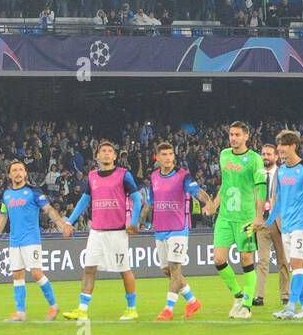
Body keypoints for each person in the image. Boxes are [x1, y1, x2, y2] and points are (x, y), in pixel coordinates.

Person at [62, 140, 142, 321]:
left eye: (110, 151)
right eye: (103, 151)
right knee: (89, 268)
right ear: (97, 156)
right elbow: (84, 200)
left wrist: (134, 222)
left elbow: (137, 199)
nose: (106, 153)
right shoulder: (92, 176)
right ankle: (82, 310)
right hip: (96, 231)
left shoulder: (124, 175)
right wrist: (69, 221)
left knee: (124, 270)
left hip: (118, 231)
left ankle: (132, 308)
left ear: (114, 156)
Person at [0, 160, 70, 321]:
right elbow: (3, 217)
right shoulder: (7, 195)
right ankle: (20, 312)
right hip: (14, 241)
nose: (17, 172)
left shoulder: (33, 192)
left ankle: (53, 306)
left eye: (20, 169)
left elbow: (49, 209)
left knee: (36, 273)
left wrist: (61, 224)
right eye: (14, 170)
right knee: (17, 275)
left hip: (31, 240)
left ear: (25, 173)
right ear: (9, 175)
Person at [205, 121, 267, 320]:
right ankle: (238, 295)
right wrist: (214, 204)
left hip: (245, 218)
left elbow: (260, 188)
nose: (233, 138)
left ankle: (247, 305)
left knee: (246, 260)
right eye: (231, 134)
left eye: (237, 134)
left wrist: (258, 216)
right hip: (225, 216)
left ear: (246, 136)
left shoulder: (255, 159)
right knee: (218, 259)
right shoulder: (224, 155)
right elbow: (225, 185)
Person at [143, 142, 210, 320]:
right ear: (157, 157)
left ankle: (168, 309)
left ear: (174, 156)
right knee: (168, 270)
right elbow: (150, 202)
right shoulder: (154, 177)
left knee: (174, 267)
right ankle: (192, 300)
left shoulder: (183, 175)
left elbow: (197, 191)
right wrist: (138, 221)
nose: (168, 158)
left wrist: (208, 202)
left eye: (170, 154)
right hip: (160, 229)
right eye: (164, 154)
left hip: (178, 229)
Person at [262, 131, 303, 319]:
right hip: (286, 226)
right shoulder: (282, 171)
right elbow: (278, 200)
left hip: (302, 225)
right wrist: (268, 222)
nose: (279, 149)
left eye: (283, 145)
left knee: (297, 263)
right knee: (297, 267)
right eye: (278, 146)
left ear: (293, 146)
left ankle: (291, 307)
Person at [255, 142, 291, 308]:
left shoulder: (283, 173)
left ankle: (285, 294)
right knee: (262, 261)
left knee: (282, 260)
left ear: (276, 157)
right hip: (262, 221)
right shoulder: (257, 174)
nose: (265, 157)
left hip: (279, 221)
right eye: (263, 154)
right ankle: (259, 296)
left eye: (269, 154)